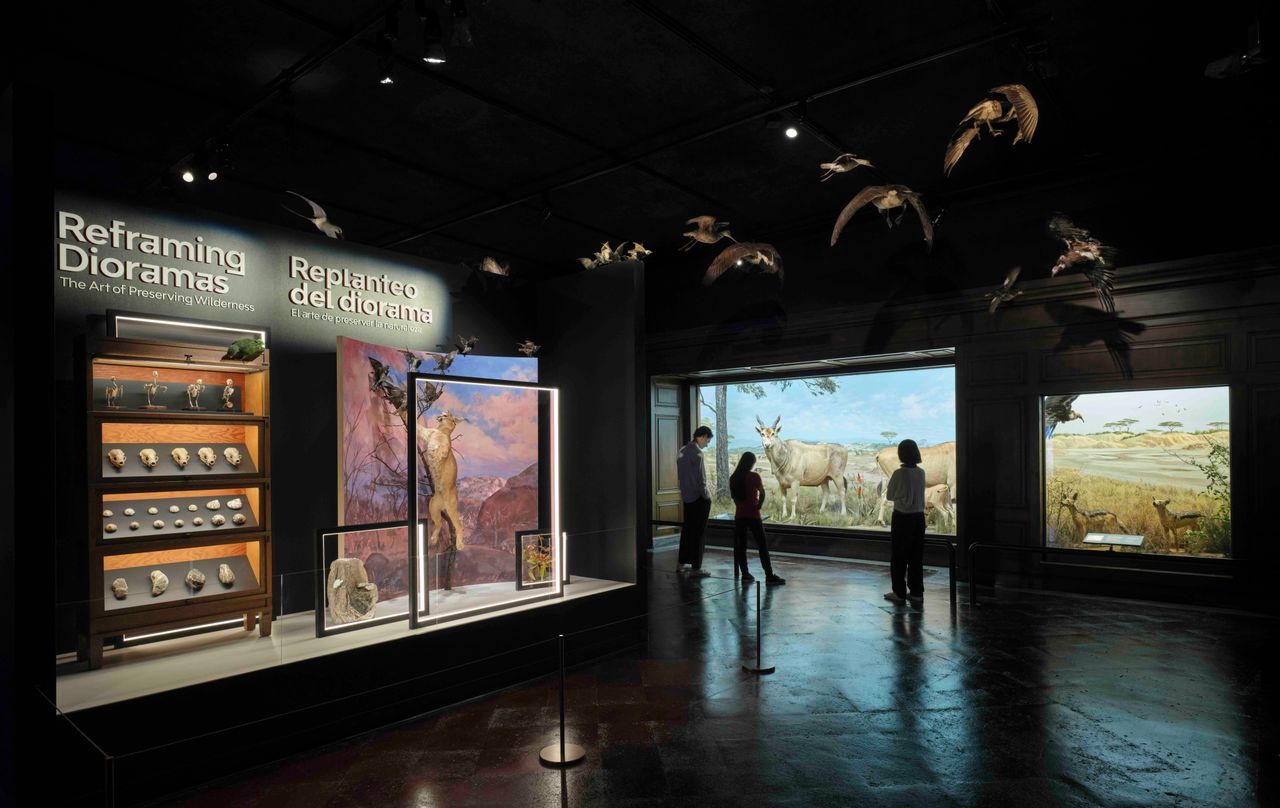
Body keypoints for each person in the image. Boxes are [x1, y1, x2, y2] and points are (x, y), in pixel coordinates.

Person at [728, 452, 785, 585]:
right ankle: (769, 575)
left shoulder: (734, 478)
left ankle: (745, 574)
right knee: (762, 546)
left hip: (740, 516)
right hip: (754, 515)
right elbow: (762, 493)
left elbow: (734, 498)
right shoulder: (754, 477)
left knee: (741, 546)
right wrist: (758, 506)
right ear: (751, 463)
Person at [884, 439, 926, 604]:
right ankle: (916, 592)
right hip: (918, 518)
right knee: (916, 557)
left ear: (901, 454)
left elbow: (890, 496)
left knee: (899, 557)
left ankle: (899, 592)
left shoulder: (899, 473)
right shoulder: (921, 472)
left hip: (902, 517)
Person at [676, 426, 713, 577]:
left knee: (687, 531)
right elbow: (701, 481)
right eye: (708, 440)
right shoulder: (698, 454)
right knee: (699, 533)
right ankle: (696, 567)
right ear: (703, 436)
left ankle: (681, 563)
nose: (707, 444)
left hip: (686, 497)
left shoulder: (682, 450)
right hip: (698, 499)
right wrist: (707, 496)